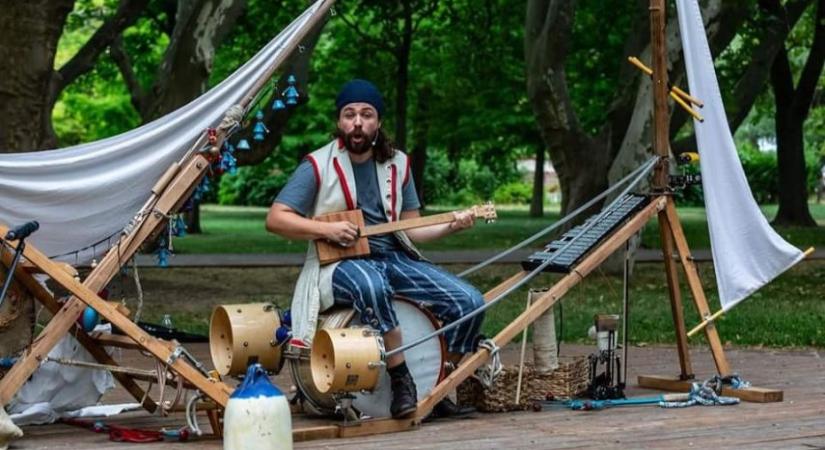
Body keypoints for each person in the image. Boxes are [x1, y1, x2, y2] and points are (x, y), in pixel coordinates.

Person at [266, 79, 485, 419]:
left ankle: (438, 384)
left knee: (468, 302)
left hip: (392, 256)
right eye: (349, 114)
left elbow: (413, 229)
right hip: (338, 265)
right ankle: (401, 378)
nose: (357, 122)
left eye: (366, 114)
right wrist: (325, 228)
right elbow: (276, 219)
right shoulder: (317, 164)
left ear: (378, 122)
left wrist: (453, 224)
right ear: (340, 122)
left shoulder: (399, 164)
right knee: (372, 285)